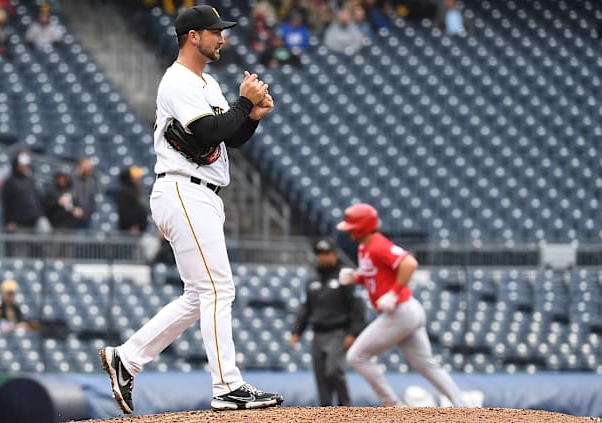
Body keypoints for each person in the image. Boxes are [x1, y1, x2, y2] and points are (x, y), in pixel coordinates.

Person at [99, 5, 282, 414]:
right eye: (215, 31)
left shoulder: (207, 83)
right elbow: (207, 131)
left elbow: (228, 138)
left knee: (200, 296)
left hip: (201, 192)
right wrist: (240, 103)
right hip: (183, 188)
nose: (222, 38)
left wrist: (249, 116)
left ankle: (126, 360)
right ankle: (227, 387)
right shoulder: (177, 80)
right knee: (219, 289)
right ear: (193, 36)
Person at [336, 203, 468, 407]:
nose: (349, 231)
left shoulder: (378, 245)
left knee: (357, 356)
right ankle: (463, 406)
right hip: (407, 311)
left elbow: (409, 263)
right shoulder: (364, 247)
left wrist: (393, 293)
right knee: (426, 365)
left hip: (401, 311)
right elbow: (374, 275)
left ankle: (392, 403)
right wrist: (357, 277)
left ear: (362, 227)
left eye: (352, 227)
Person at [290, 239, 366, 406]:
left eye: (327, 254)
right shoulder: (312, 281)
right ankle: (326, 412)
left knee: (333, 370)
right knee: (321, 376)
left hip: (338, 331)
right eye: (320, 254)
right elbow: (305, 308)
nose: (323, 258)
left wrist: (354, 332)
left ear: (334, 254)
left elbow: (357, 306)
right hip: (318, 333)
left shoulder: (345, 277)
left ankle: (345, 408)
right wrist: (296, 332)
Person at [1, 151, 44, 232]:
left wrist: (40, 214)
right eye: (23, 165)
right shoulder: (9, 182)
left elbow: (36, 199)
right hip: (18, 222)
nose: (25, 167)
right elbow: (6, 203)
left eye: (26, 165)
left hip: (33, 220)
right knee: (19, 244)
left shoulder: (29, 180)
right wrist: (9, 221)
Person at [114, 166, 149, 234]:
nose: (138, 180)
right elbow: (125, 211)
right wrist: (133, 225)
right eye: (135, 178)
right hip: (131, 228)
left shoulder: (136, 190)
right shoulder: (124, 192)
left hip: (140, 227)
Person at [73, 157, 98, 230]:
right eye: (87, 165)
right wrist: (73, 208)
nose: (90, 167)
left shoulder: (92, 181)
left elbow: (91, 200)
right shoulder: (72, 179)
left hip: (87, 217)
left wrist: (87, 212)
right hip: (72, 218)